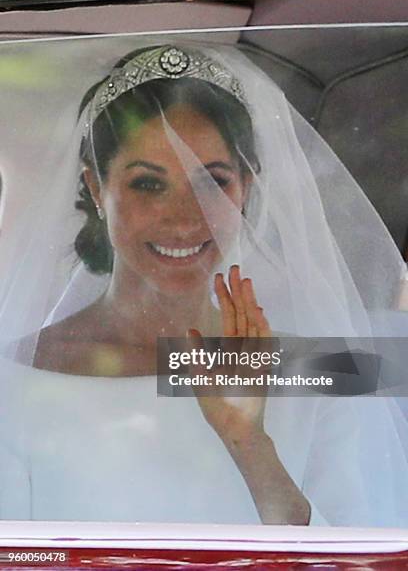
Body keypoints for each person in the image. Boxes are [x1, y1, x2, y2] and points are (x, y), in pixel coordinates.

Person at [0, 42, 406, 526]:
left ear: (245, 188)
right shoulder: (16, 381)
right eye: (148, 184)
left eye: (213, 182)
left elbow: (360, 554)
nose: (184, 218)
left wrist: (250, 444)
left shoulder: (327, 370)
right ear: (96, 188)